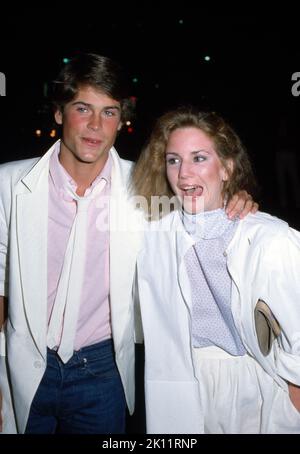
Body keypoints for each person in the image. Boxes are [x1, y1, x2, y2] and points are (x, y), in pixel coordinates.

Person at [0, 54, 255, 435]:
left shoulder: (144, 187)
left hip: (102, 373)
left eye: (109, 112)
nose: (95, 126)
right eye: (83, 108)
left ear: (122, 119)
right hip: (23, 363)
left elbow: (197, 216)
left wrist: (239, 200)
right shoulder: (9, 184)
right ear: (58, 114)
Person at [133, 107, 300, 434]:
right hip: (180, 381)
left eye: (199, 158)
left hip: (254, 384)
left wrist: (294, 397)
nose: (183, 174)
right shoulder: (153, 234)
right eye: (173, 160)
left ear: (226, 167)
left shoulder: (270, 239)